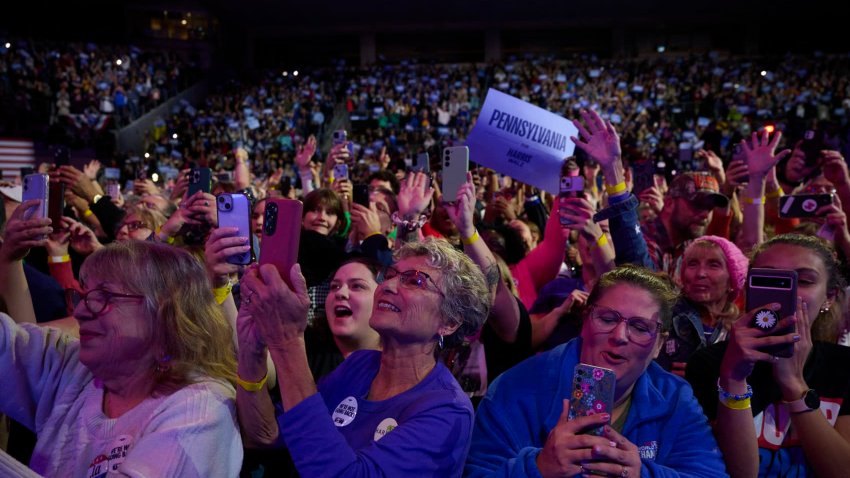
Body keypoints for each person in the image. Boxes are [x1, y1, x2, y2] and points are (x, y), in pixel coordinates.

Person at [0, 206, 242, 476]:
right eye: (85, 296)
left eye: (103, 297)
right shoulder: (76, 370)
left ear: (164, 313)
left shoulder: (199, 410)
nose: (80, 312)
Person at [236, 238, 490, 477]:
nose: (388, 286)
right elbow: (267, 434)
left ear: (449, 322)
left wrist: (287, 340)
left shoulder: (446, 410)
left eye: (415, 281)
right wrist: (251, 349)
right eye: (390, 275)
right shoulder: (360, 366)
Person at [465, 265, 728, 478]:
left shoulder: (674, 398)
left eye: (640, 327)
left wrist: (641, 474)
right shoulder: (517, 388)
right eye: (607, 319)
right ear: (585, 322)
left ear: (659, 344)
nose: (620, 336)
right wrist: (538, 469)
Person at [686, 234, 850, 478]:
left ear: (830, 296)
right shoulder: (710, 363)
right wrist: (733, 377)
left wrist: (794, 386)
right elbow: (736, 473)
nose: (786, 292)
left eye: (803, 280)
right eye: (768, 279)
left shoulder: (844, 367)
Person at [657, 235, 749, 376]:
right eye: (693, 264)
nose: (700, 274)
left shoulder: (741, 333)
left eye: (713, 265)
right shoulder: (664, 316)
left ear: (733, 280)